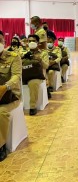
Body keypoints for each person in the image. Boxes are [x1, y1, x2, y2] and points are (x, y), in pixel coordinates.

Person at [0, 30, 22, 162]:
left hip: (10, 95)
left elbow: (16, 76)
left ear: (4, 42)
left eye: (0, 40)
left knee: (1, 113)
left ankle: (1, 145)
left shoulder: (13, 57)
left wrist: (5, 87)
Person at [22, 35, 49, 115]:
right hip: (23, 74)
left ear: (38, 43)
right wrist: (23, 57)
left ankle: (33, 106)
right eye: (29, 41)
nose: (31, 42)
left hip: (36, 76)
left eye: (33, 41)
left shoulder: (43, 53)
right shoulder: (23, 52)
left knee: (33, 83)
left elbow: (46, 66)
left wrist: (40, 59)